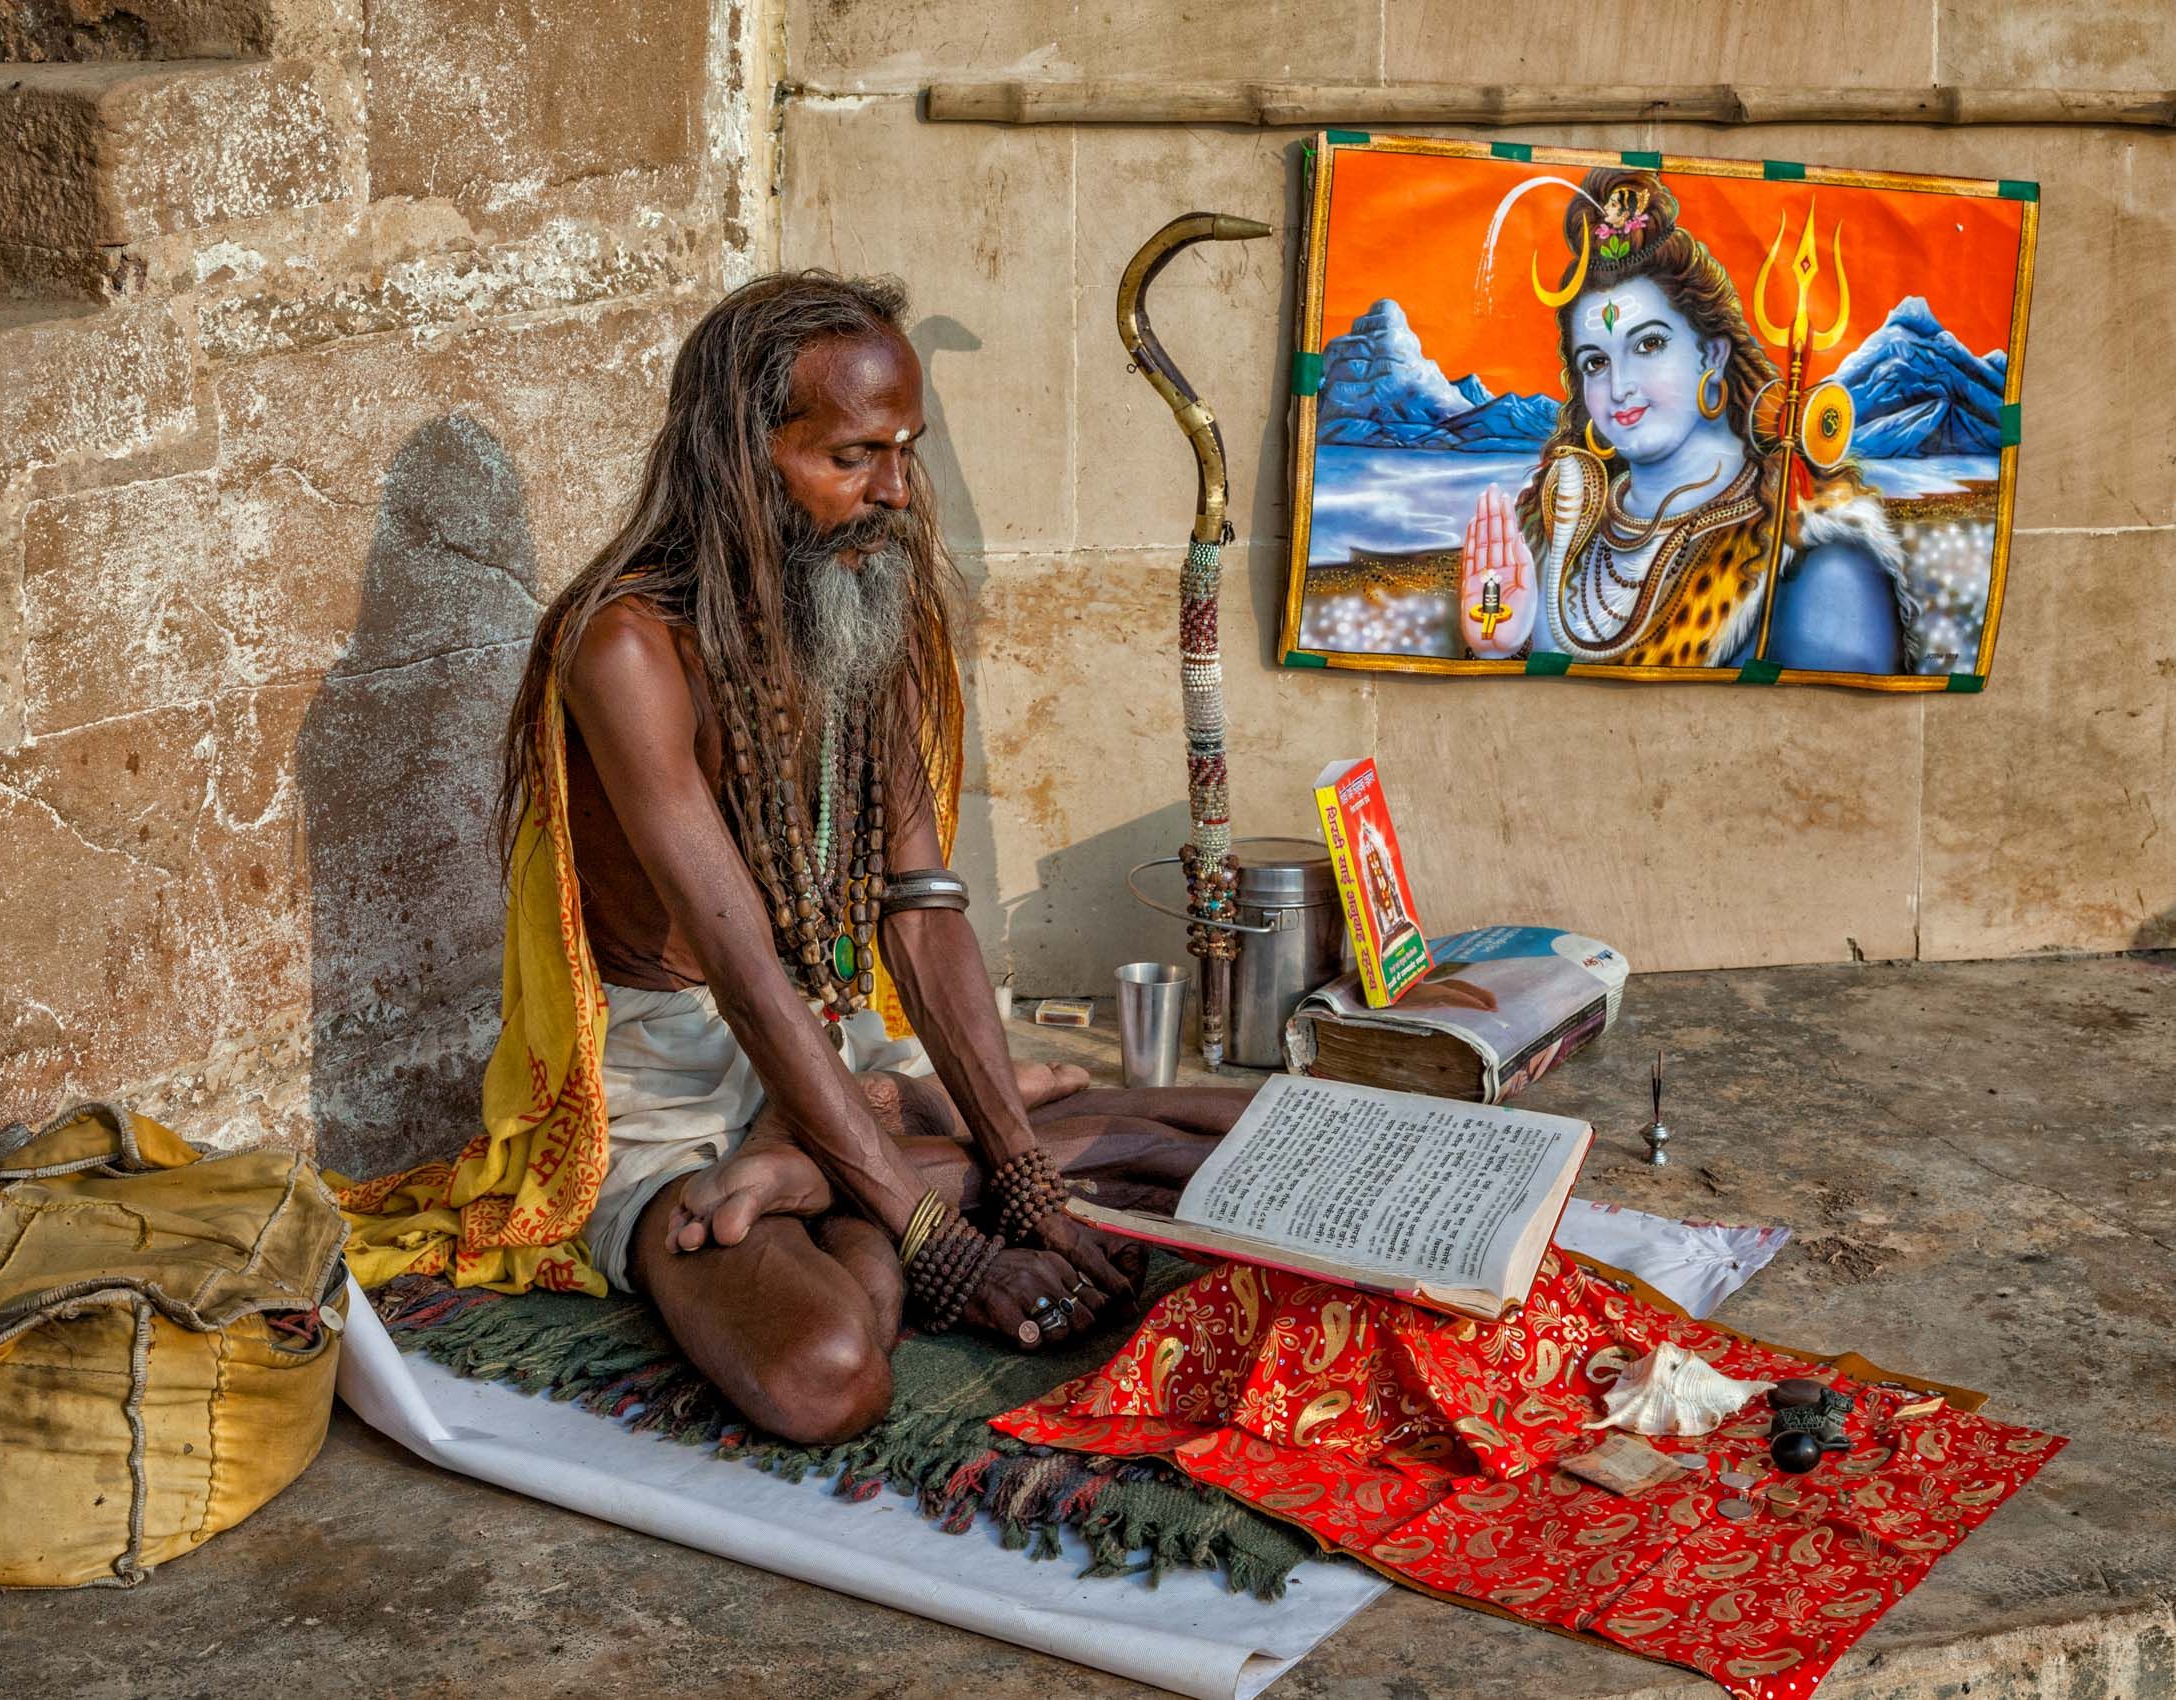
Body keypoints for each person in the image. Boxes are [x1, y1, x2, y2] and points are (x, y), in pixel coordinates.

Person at [343, 271, 1249, 1446]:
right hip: (667, 1084)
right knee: (832, 1365)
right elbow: (743, 975)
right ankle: (894, 1145)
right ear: (740, 454)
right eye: (852, 456)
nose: (895, 491)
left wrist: (1024, 1175)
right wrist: (943, 1242)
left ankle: (838, 1155)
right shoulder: (626, 645)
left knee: (1222, 1134)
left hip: (823, 1032)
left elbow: (921, 914)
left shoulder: (873, 594)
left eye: (905, 451)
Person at [1459, 169, 1915, 674]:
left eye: (1649, 344)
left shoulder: (1817, 561)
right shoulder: (1556, 532)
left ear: (1712, 355)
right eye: (1596, 362)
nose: (1618, 386)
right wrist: (1496, 649)